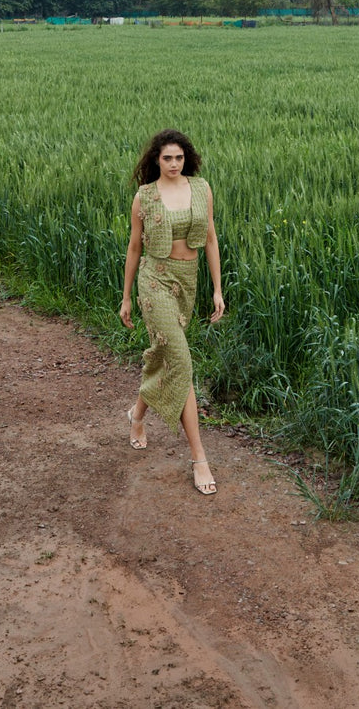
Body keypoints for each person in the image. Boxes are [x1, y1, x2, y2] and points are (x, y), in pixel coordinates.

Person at [120, 128, 225, 494]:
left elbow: (210, 237)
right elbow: (135, 248)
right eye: (167, 158)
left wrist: (217, 288)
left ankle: (136, 416)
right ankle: (199, 457)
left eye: (179, 157)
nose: (174, 164)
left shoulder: (201, 188)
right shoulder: (144, 197)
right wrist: (126, 297)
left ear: (187, 159)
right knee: (180, 360)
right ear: (156, 160)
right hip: (154, 281)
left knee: (165, 357)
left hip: (187, 280)